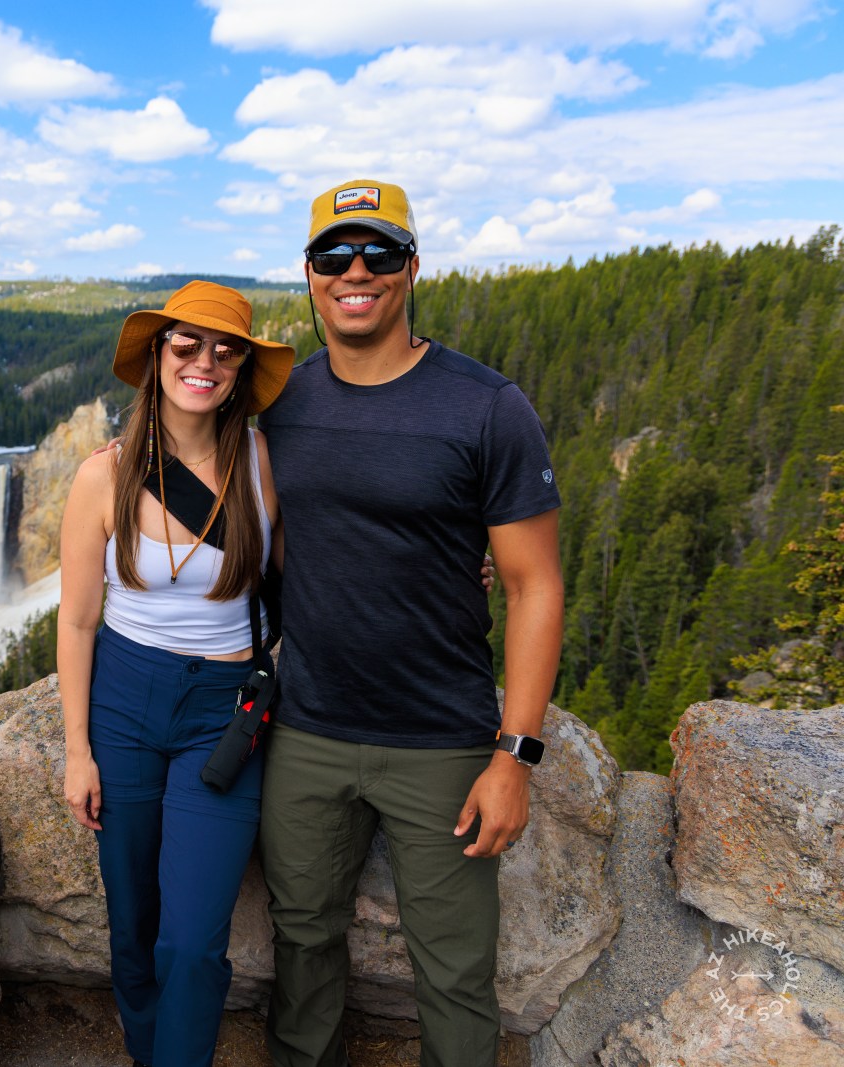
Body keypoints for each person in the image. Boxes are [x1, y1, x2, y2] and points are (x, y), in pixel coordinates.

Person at [256, 179, 565, 1066]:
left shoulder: (485, 407)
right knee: (302, 943)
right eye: (335, 255)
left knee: (458, 971)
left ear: (412, 267)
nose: (357, 271)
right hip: (306, 731)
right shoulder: (280, 401)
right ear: (309, 274)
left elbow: (535, 585)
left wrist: (516, 755)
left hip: (443, 741)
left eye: (379, 253)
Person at [57, 280, 294, 1067]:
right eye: (186, 344)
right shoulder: (106, 475)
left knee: (191, 940)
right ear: (157, 354)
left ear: (241, 369)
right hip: (122, 705)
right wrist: (76, 749)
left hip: (221, 715)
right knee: (133, 925)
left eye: (226, 350)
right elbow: (79, 619)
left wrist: (455, 571)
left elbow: (324, 568)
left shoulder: (262, 463)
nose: (205, 361)